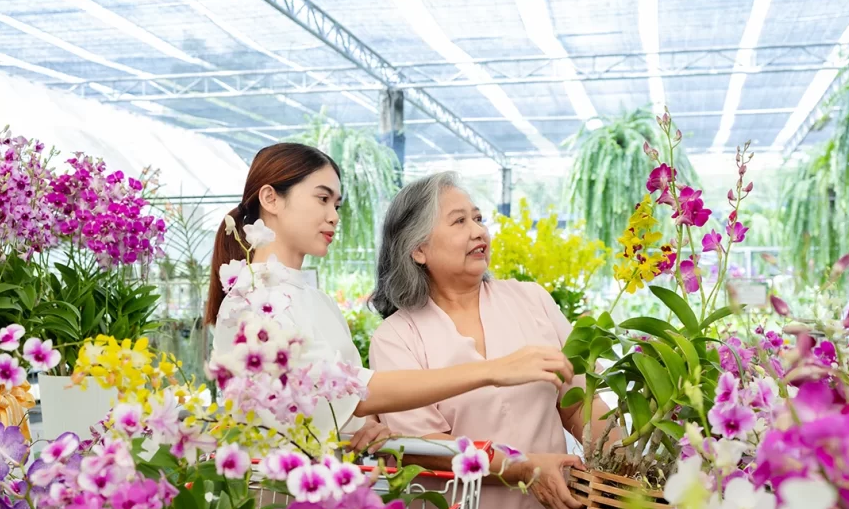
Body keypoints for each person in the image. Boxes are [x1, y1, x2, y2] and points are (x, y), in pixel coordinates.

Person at [368, 172, 615, 509]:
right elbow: (422, 446)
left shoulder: (530, 300)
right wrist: (525, 467)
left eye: (479, 217)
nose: (479, 230)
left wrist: (621, 453)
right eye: (459, 221)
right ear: (418, 249)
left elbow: (575, 399)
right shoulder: (398, 337)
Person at [205, 143, 577, 451]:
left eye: (337, 205)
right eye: (322, 199)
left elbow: (347, 408)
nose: (333, 216)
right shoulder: (249, 301)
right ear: (271, 198)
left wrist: (369, 429)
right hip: (280, 494)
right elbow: (351, 389)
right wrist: (492, 371)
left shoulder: (316, 301)